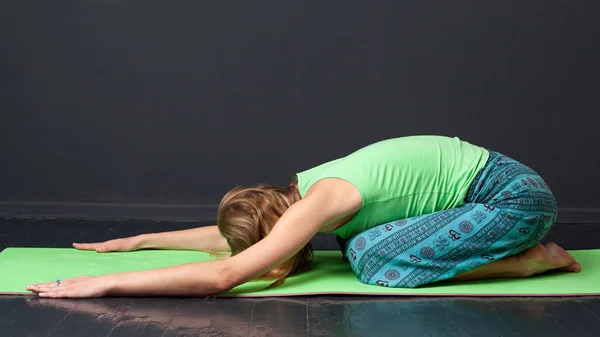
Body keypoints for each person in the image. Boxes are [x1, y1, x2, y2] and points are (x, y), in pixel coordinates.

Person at [26, 135, 581, 298]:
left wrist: (107, 285)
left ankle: (533, 263)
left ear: (280, 226)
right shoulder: (301, 192)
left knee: (370, 258)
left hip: (514, 200)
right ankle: (522, 255)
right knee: (362, 247)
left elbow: (226, 274)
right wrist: (139, 241)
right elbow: (227, 244)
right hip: (492, 196)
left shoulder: (322, 203)